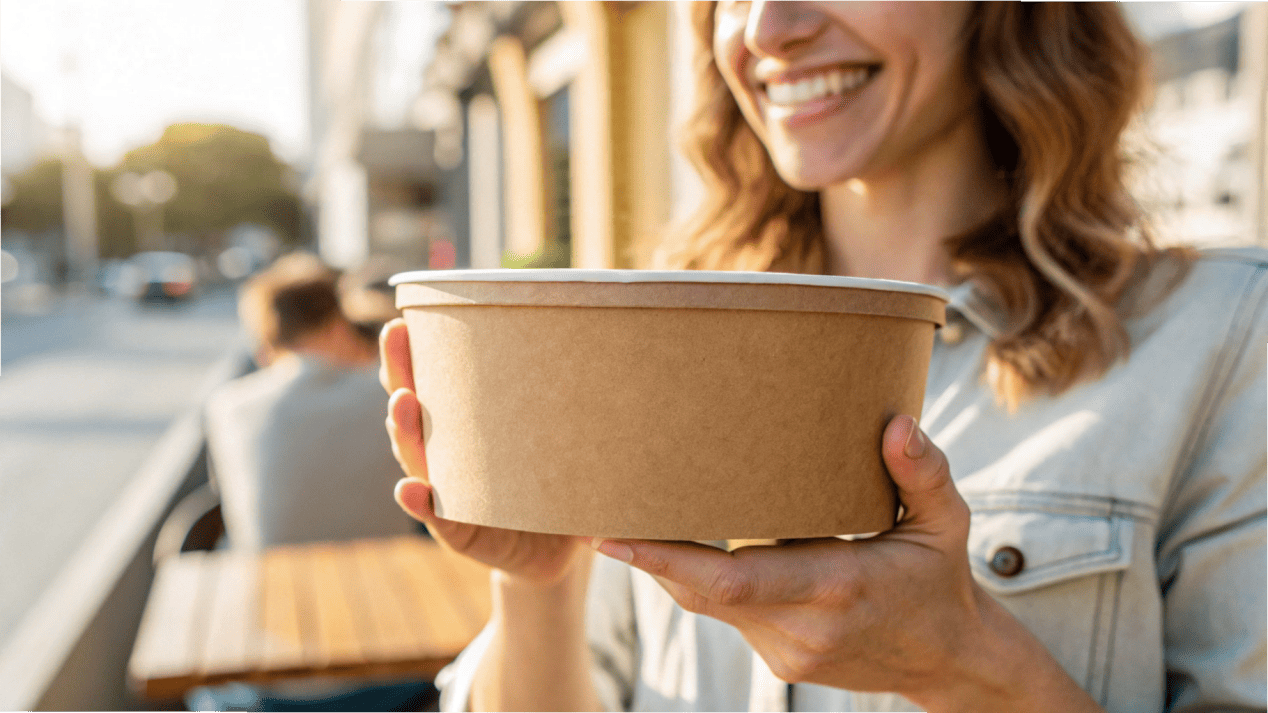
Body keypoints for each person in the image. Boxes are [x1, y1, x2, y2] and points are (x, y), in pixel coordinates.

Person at [379, 3, 1267, 712]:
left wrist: (966, 666)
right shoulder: (649, 334)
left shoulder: (1221, 336)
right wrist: (541, 578)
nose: (768, 27)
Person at [192, 253, 431, 712]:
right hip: (393, 674)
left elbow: (235, 509)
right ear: (340, 324)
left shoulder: (228, 406)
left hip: (267, 685)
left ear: (266, 341)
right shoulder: (393, 400)